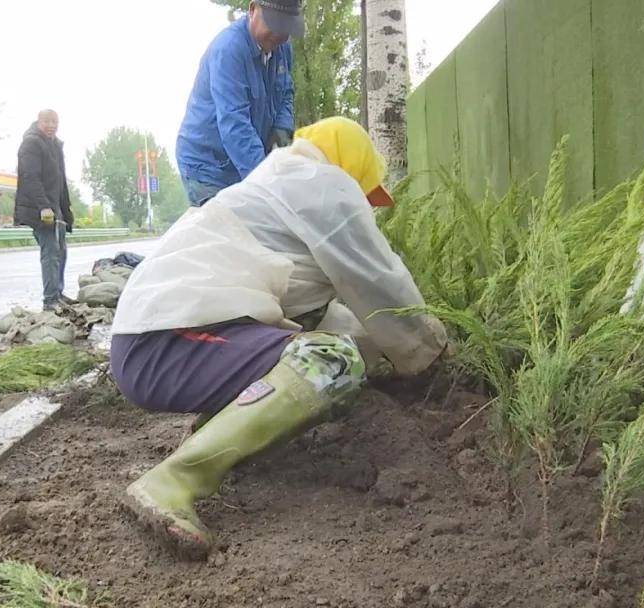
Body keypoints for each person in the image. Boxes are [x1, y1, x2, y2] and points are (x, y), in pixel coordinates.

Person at [111, 116, 449, 558]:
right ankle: (174, 481)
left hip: (160, 337)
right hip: (165, 340)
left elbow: (335, 319)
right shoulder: (324, 184)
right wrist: (433, 354)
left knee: (329, 347)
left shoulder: (274, 185)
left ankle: (217, 434)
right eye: (367, 193)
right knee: (331, 363)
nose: (366, 205)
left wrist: (381, 353)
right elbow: (380, 284)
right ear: (353, 169)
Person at [175, 0, 302, 206]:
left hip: (246, 159)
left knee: (257, 227)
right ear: (253, 9)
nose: (280, 34)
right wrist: (268, 182)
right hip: (209, 166)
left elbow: (286, 91)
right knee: (226, 232)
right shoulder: (228, 51)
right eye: (275, 23)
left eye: (286, 26)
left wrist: (282, 128)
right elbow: (235, 125)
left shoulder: (283, 49)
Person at [15, 109, 75, 310]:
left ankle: (57, 293)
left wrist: (66, 211)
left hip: (55, 208)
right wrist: (44, 206)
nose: (51, 125)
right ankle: (50, 300)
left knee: (61, 252)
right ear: (38, 122)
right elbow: (30, 178)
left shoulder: (55, 145)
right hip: (40, 209)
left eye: (55, 122)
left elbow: (60, 182)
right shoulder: (31, 144)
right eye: (47, 122)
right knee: (50, 252)